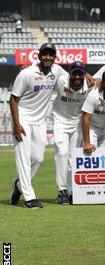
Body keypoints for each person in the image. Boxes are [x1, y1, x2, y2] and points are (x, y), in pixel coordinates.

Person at [10, 43, 67, 208]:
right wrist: (16, 123)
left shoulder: (57, 71)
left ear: (54, 57)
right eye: (45, 54)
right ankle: (29, 197)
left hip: (40, 121)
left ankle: (19, 186)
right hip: (23, 119)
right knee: (23, 159)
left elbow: (71, 77)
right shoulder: (26, 74)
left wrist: (89, 77)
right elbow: (13, 99)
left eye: (51, 54)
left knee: (38, 158)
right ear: (39, 55)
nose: (48, 57)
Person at [51, 60, 92, 204]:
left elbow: (100, 81)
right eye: (74, 74)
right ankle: (62, 190)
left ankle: (72, 191)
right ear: (69, 74)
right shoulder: (61, 80)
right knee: (62, 152)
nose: (77, 77)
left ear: (84, 75)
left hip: (76, 122)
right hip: (60, 119)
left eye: (80, 74)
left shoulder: (89, 86)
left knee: (73, 157)